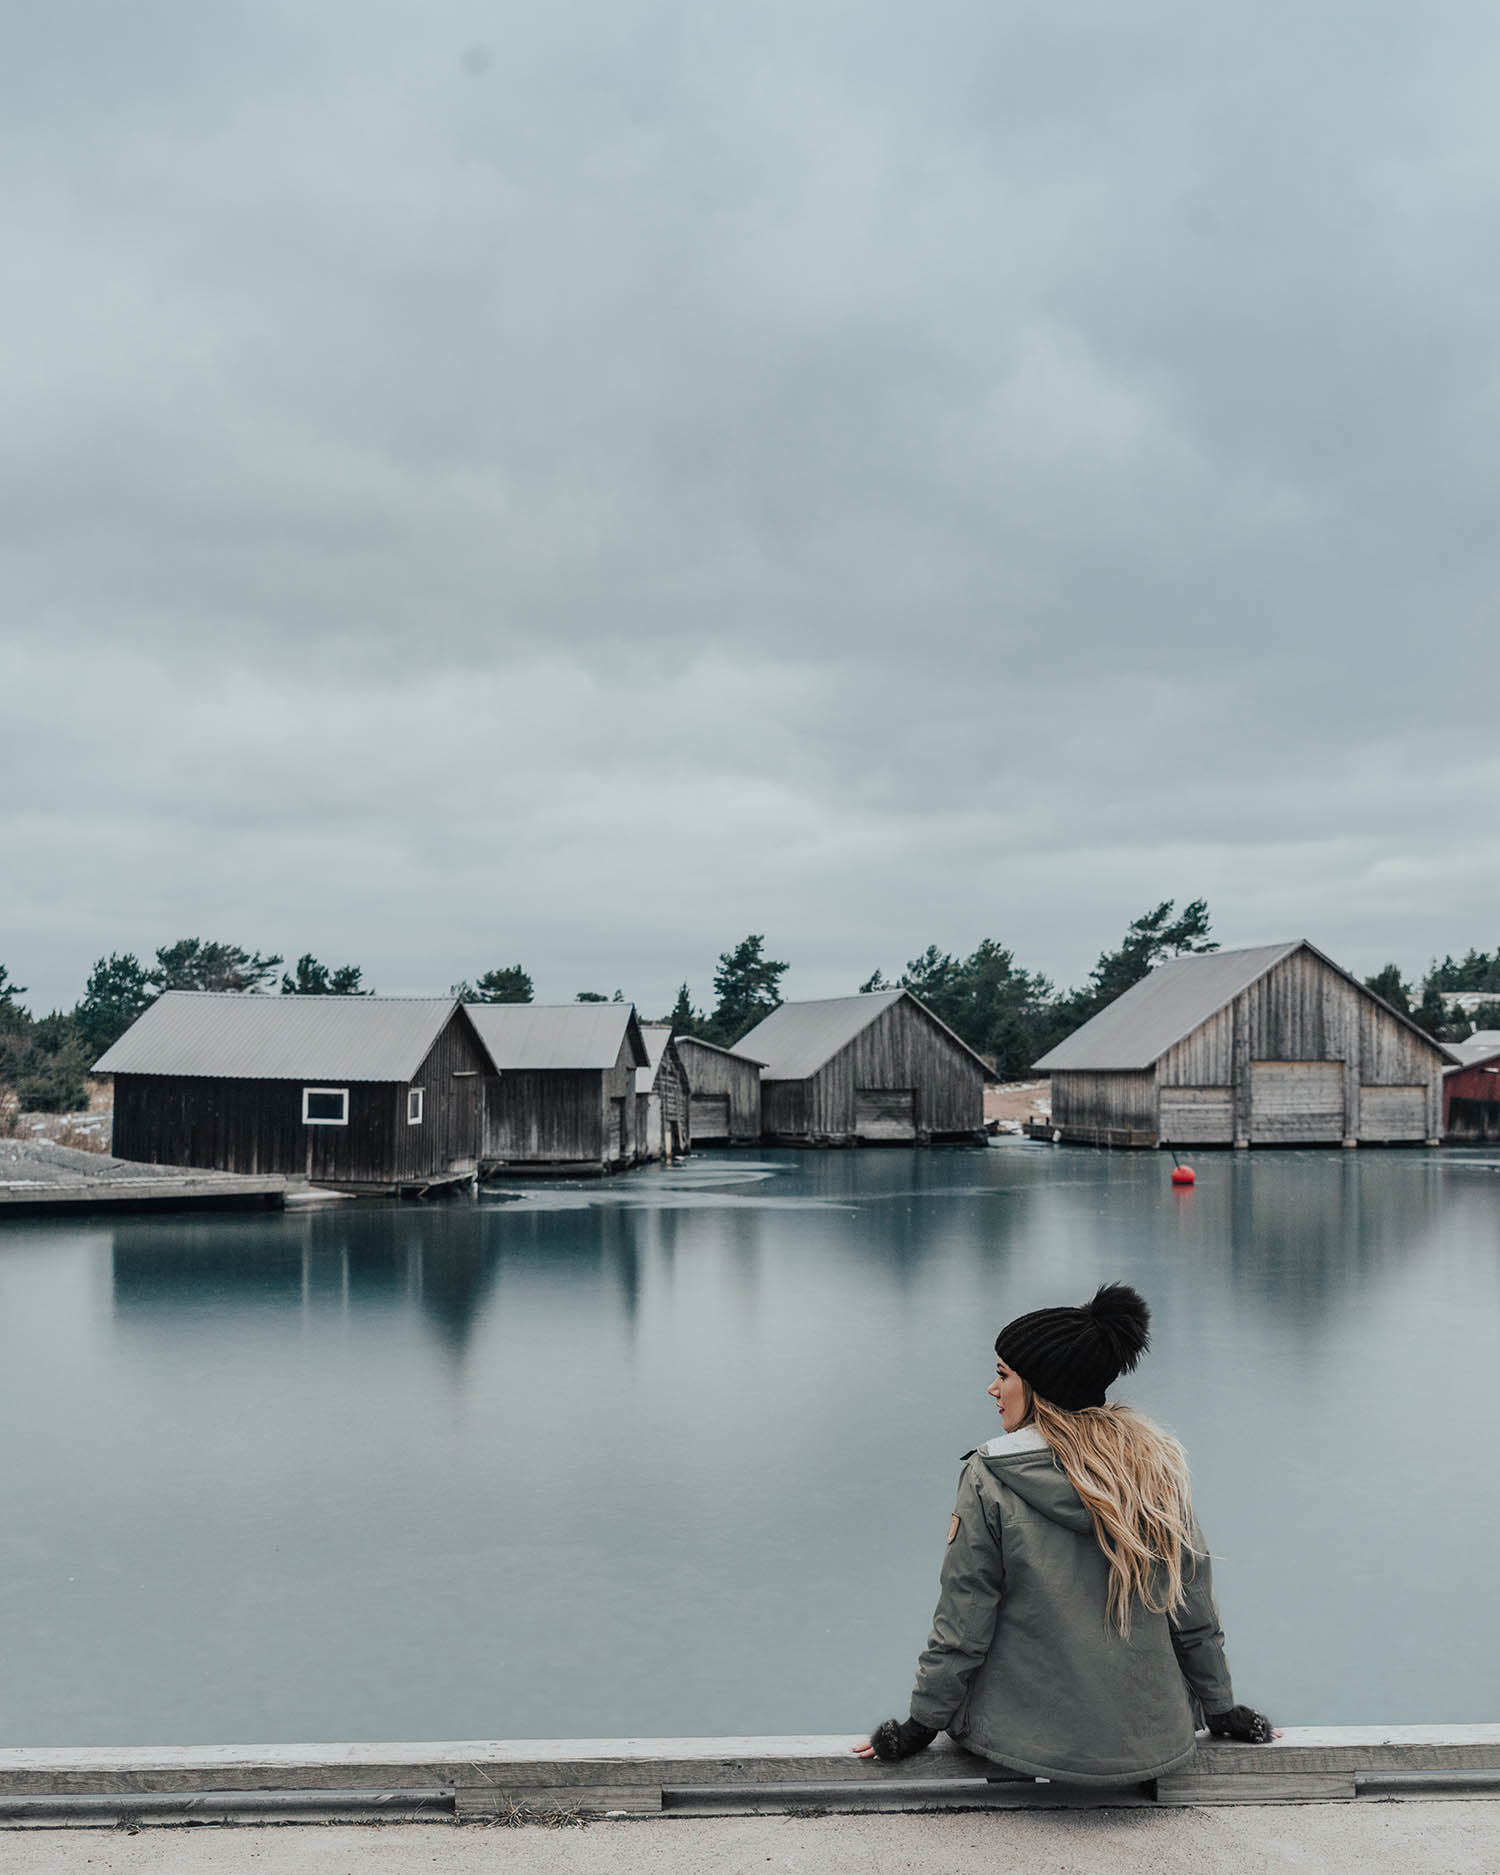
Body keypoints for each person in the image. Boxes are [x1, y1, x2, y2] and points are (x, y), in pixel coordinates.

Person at [853, 1282, 1274, 1784]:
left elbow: (963, 1620)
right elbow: (1193, 1609)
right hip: (1149, 1745)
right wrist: (1220, 1706)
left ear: (1040, 1387)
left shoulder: (989, 1477)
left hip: (1025, 1743)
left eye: (1003, 1375)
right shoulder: (1154, 1473)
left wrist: (921, 1724)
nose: (992, 1389)